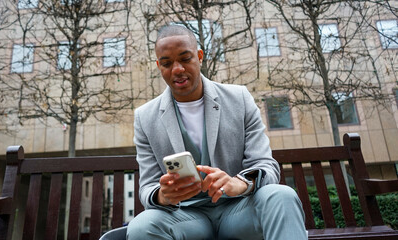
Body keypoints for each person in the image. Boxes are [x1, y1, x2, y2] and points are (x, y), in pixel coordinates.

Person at [126, 25, 307, 240]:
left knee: (282, 196)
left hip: (238, 210)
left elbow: (266, 166)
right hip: (185, 217)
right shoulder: (145, 117)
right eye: (167, 63)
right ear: (159, 66)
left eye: (185, 58)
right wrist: (163, 196)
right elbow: (147, 186)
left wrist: (238, 184)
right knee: (140, 227)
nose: (177, 69)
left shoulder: (239, 98)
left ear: (199, 56)